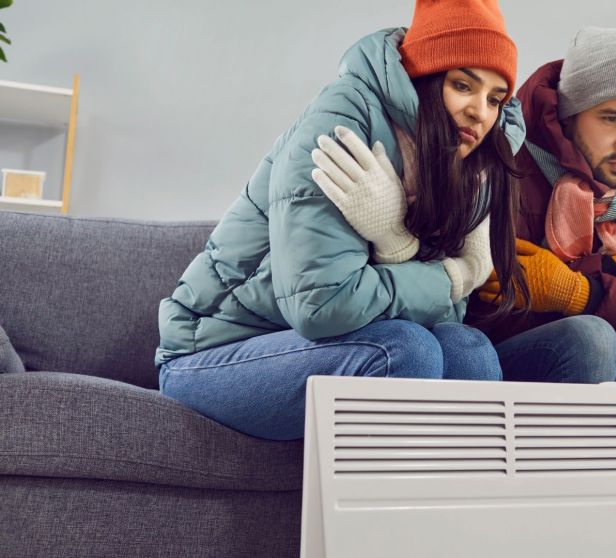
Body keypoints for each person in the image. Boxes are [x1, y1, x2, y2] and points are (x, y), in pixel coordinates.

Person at [155, 0, 527, 440]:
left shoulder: (461, 161)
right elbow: (322, 305)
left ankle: (459, 511)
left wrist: (396, 244)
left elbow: (448, 314)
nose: (480, 112)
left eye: (495, 98)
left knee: (468, 350)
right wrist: (451, 277)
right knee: (404, 352)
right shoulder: (343, 121)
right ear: (424, 78)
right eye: (463, 85)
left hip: (317, 349)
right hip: (213, 354)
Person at [467, 27, 616, 386]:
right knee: (589, 338)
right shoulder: (508, 162)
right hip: (515, 352)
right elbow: (488, 306)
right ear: (568, 115)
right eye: (611, 118)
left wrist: (581, 291)